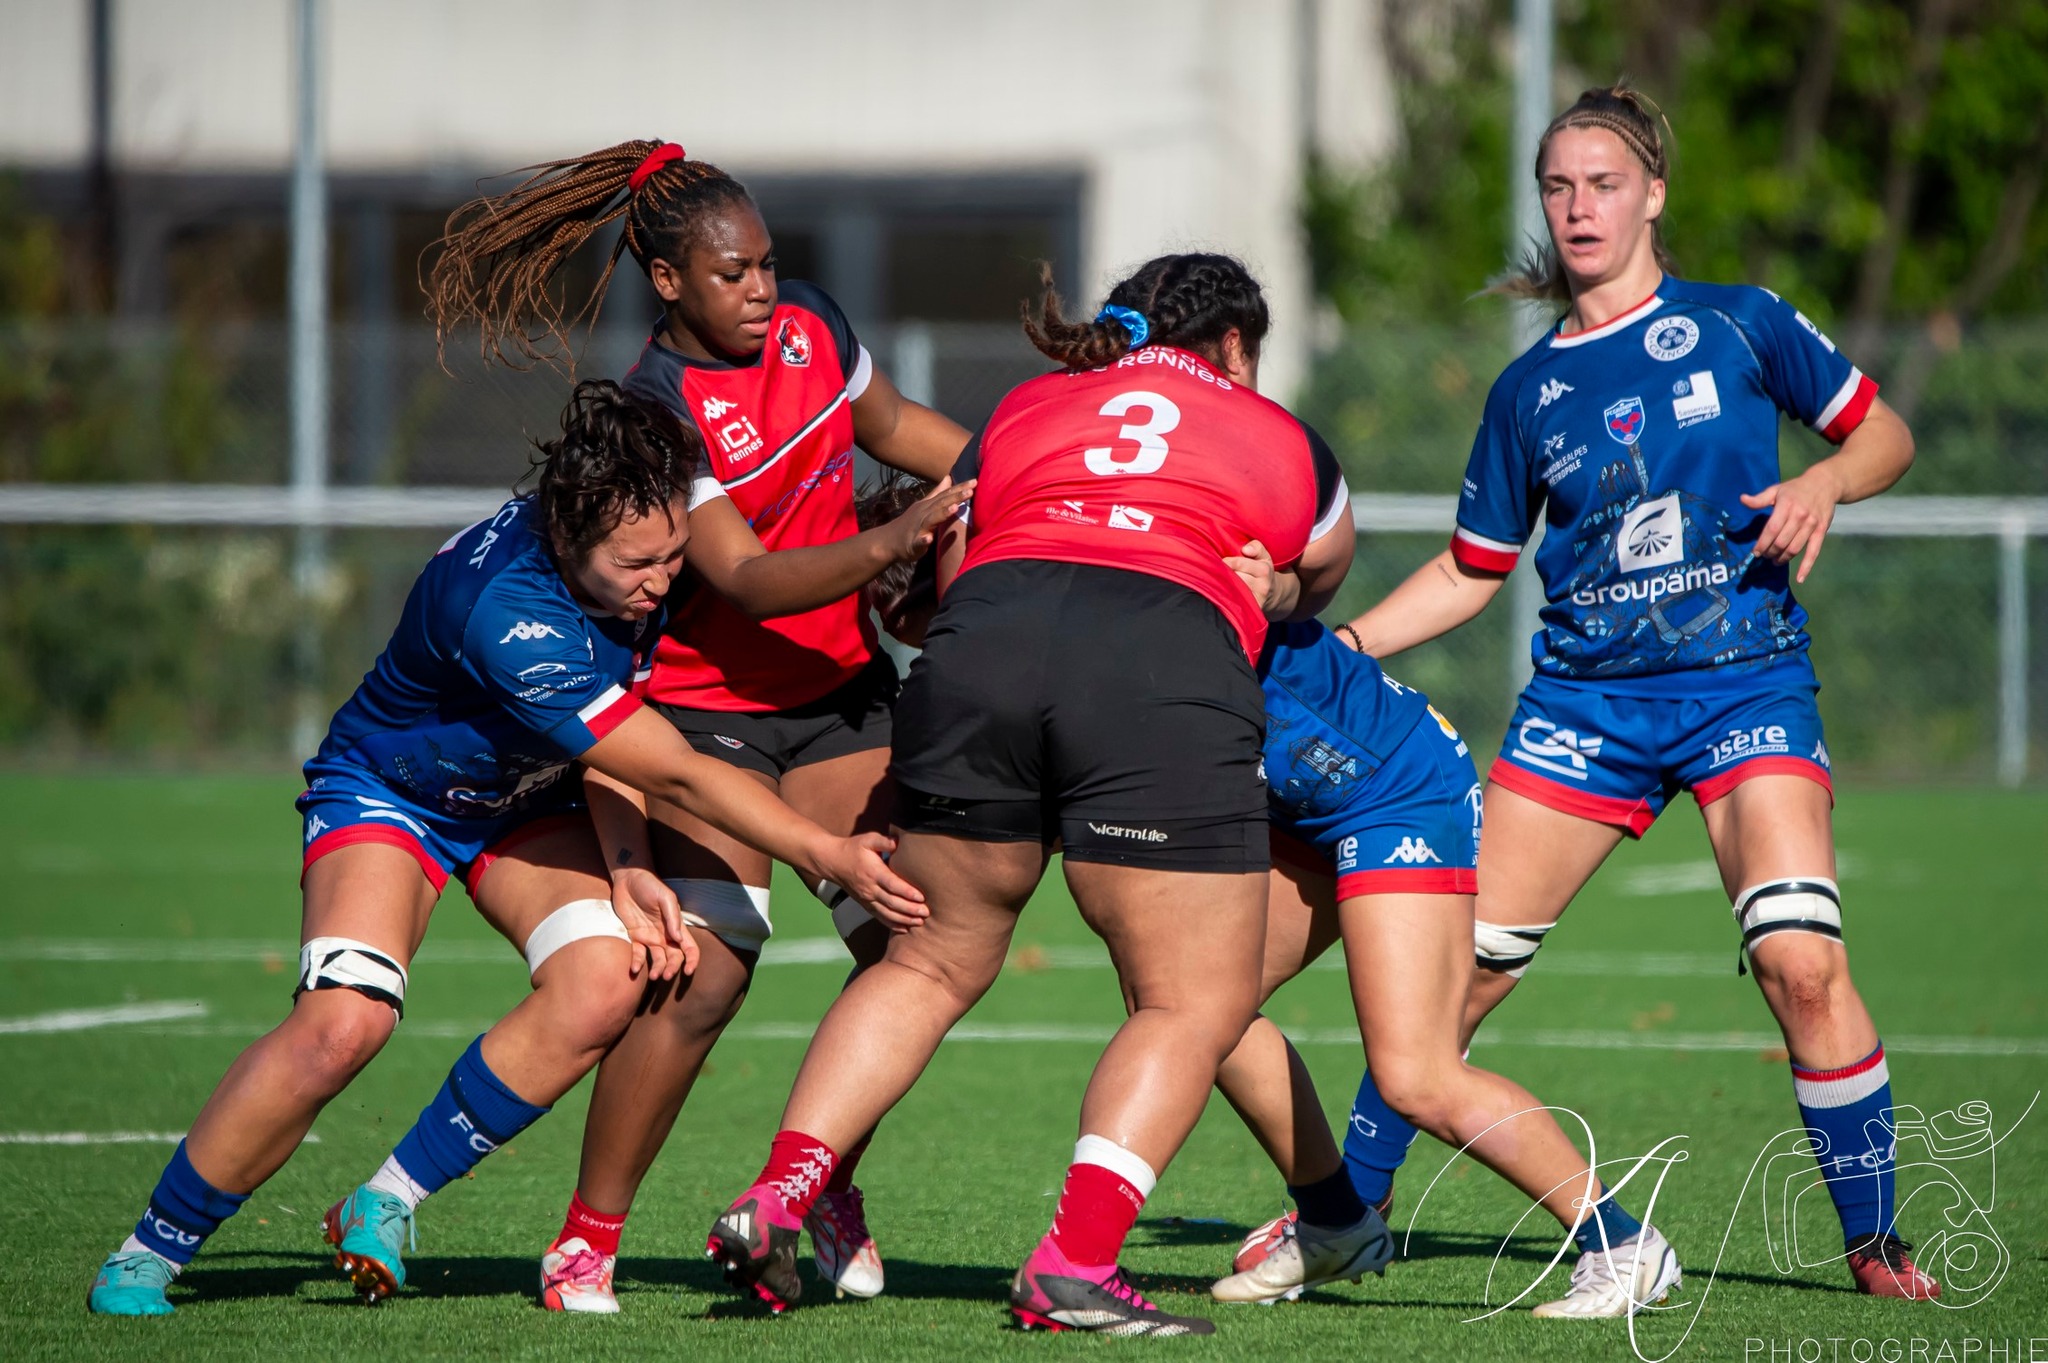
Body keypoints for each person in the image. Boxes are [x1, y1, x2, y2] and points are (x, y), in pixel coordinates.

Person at [1248, 84, 1937, 1306]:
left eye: (1602, 183)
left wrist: (1826, 482)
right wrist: (1336, 639)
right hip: (1584, 712)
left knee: (1799, 963)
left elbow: (1881, 432)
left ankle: (1873, 1242)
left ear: (1652, 194)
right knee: (1448, 978)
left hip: (1741, 685)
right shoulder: (1525, 394)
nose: (1578, 207)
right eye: (1557, 187)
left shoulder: (1736, 324)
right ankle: (1347, 1220)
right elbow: (1472, 568)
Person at [85, 381, 923, 1316]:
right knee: (344, 1026)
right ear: (568, 542)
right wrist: (827, 851)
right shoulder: (510, 612)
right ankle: (149, 1250)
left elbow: (607, 741)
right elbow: (674, 770)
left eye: (675, 554)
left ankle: (387, 1199)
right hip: (393, 794)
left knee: (608, 980)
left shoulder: (618, 545)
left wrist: (631, 862)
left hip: (525, 795)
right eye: (640, 563)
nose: (662, 579)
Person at [703, 253, 1356, 1336]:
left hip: (981, 652)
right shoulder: (1274, 429)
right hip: (1156, 658)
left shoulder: (1026, 405)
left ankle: (781, 1193)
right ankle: (1076, 1261)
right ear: (1235, 348)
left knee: (928, 957)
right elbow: (1313, 569)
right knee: (1190, 999)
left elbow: (951, 567)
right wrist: (1279, 584)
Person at [423, 139, 972, 1309]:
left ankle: (816, 1181)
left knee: (907, 947)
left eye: (769, 264)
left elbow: (905, 428)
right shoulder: (654, 407)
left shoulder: (811, 326)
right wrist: (902, 538)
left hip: (838, 701)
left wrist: (1009, 473)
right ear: (669, 281)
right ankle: (586, 1236)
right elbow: (747, 577)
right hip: (707, 714)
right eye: (734, 273)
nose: (762, 289)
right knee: (707, 976)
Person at [1186, 602, 1681, 1314]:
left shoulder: (1136, 572)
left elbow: (1316, 539)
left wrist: (1282, 575)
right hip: (1292, 795)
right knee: (1194, 1003)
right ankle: (1336, 1220)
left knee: (1416, 1075)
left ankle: (1625, 1246)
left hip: (1394, 787)